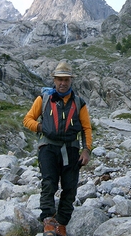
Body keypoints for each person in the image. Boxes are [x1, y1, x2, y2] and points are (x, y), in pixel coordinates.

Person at [23, 61, 92, 236]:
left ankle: (61, 223)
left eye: (66, 80)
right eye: (59, 79)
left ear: (71, 81)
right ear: (54, 80)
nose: (63, 83)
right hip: (48, 148)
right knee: (49, 183)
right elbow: (27, 120)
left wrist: (87, 150)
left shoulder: (79, 103)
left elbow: (86, 128)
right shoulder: (43, 99)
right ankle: (48, 220)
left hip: (71, 150)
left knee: (70, 188)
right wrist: (40, 128)